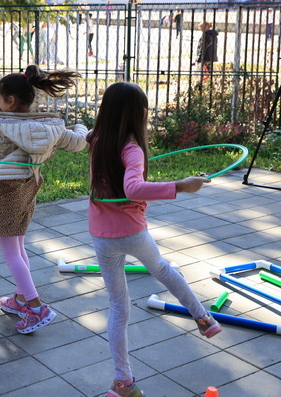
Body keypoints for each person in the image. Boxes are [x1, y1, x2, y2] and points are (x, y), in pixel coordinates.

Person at [87, 82, 221, 397]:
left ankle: (123, 382)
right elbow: (133, 189)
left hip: (101, 236)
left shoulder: (95, 139)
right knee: (161, 268)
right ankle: (202, 318)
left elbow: (82, 134)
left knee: (118, 305)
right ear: (140, 113)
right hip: (132, 232)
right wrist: (181, 185)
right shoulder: (131, 148)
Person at [0, 65, 87, 334]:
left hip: (1, 188)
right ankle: (21, 298)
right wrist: (80, 127)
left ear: (10, 100)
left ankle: (36, 308)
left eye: (0, 99)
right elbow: (79, 143)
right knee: (18, 244)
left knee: (10, 251)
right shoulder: (50, 126)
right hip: (27, 187)